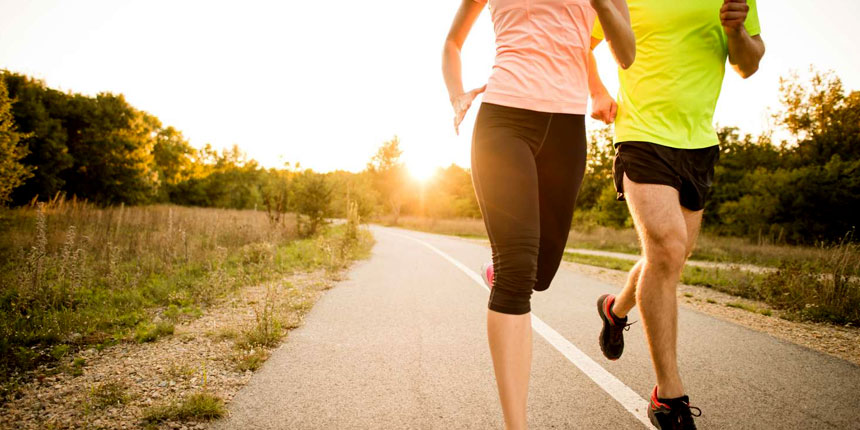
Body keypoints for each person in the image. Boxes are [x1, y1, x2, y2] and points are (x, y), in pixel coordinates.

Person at [442, 0, 634, 428]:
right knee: (517, 275)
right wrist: (456, 93)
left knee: (539, 274)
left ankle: (503, 272)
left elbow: (626, 53)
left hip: (565, 129)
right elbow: (453, 42)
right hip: (503, 120)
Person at [590, 0, 765, 428]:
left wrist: (737, 32)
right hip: (641, 132)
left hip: (700, 141)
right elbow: (580, 39)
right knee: (667, 250)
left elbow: (748, 64)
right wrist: (596, 89)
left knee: (670, 257)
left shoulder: (733, 1)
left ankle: (615, 308)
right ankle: (668, 396)